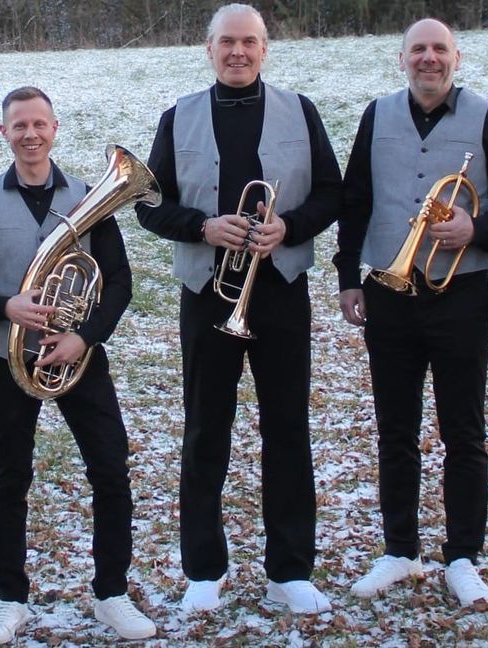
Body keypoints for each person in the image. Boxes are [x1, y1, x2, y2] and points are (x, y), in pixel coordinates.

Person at [136, 3, 342, 614]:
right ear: (209, 48)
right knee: (205, 431)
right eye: (227, 42)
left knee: (287, 430)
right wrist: (202, 226)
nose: (238, 52)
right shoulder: (179, 117)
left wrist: (292, 227)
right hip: (208, 296)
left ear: (264, 48)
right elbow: (149, 204)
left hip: (280, 292)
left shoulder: (300, 111)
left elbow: (332, 190)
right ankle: (205, 569)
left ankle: (290, 571)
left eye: (249, 42)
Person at [0, 86, 157, 643]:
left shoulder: (91, 197)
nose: (31, 134)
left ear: (55, 128)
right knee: (10, 477)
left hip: (77, 358)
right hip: (6, 359)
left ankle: (111, 593)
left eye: (39, 123)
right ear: (4, 133)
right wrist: (5, 305)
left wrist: (84, 336)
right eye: (19, 125)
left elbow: (117, 281)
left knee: (110, 469)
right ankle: (10, 598)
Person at [333, 18, 488, 608]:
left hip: (460, 296)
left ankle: (464, 556)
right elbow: (356, 197)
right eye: (418, 49)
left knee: (464, 431)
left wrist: (479, 228)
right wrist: (348, 278)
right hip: (389, 295)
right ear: (402, 59)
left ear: (455, 58)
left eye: (439, 49)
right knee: (396, 429)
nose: (429, 59)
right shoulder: (377, 115)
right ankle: (400, 549)